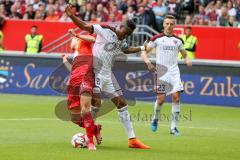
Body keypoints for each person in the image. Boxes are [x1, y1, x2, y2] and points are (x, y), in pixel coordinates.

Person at [65, 4, 150, 149]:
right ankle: (89, 137)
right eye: (125, 32)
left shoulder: (121, 40)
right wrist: (72, 16)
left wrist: (142, 48)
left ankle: (132, 140)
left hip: (107, 77)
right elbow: (85, 26)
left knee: (122, 104)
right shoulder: (104, 29)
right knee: (96, 104)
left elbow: (126, 49)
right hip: (94, 73)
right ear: (120, 26)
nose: (125, 35)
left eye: (129, 34)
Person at [141, 15, 192, 136]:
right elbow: (143, 51)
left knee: (176, 97)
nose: (169, 26)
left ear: (174, 25)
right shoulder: (157, 38)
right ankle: (155, 119)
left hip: (174, 73)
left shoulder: (178, 40)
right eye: (167, 23)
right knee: (161, 100)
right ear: (163, 25)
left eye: (171, 24)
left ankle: (173, 128)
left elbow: (184, 54)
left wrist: (187, 59)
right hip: (162, 73)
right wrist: (148, 62)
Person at [62, 29, 102, 151]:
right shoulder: (76, 54)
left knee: (85, 109)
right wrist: (65, 62)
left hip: (86, 76)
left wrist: (77, 35)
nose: (71, 41)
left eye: (72, 39)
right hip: (74, 79)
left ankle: (90, 142)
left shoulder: (83, 40)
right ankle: (95, 129)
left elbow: (95, 39)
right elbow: (73, 70)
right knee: (74, 118)